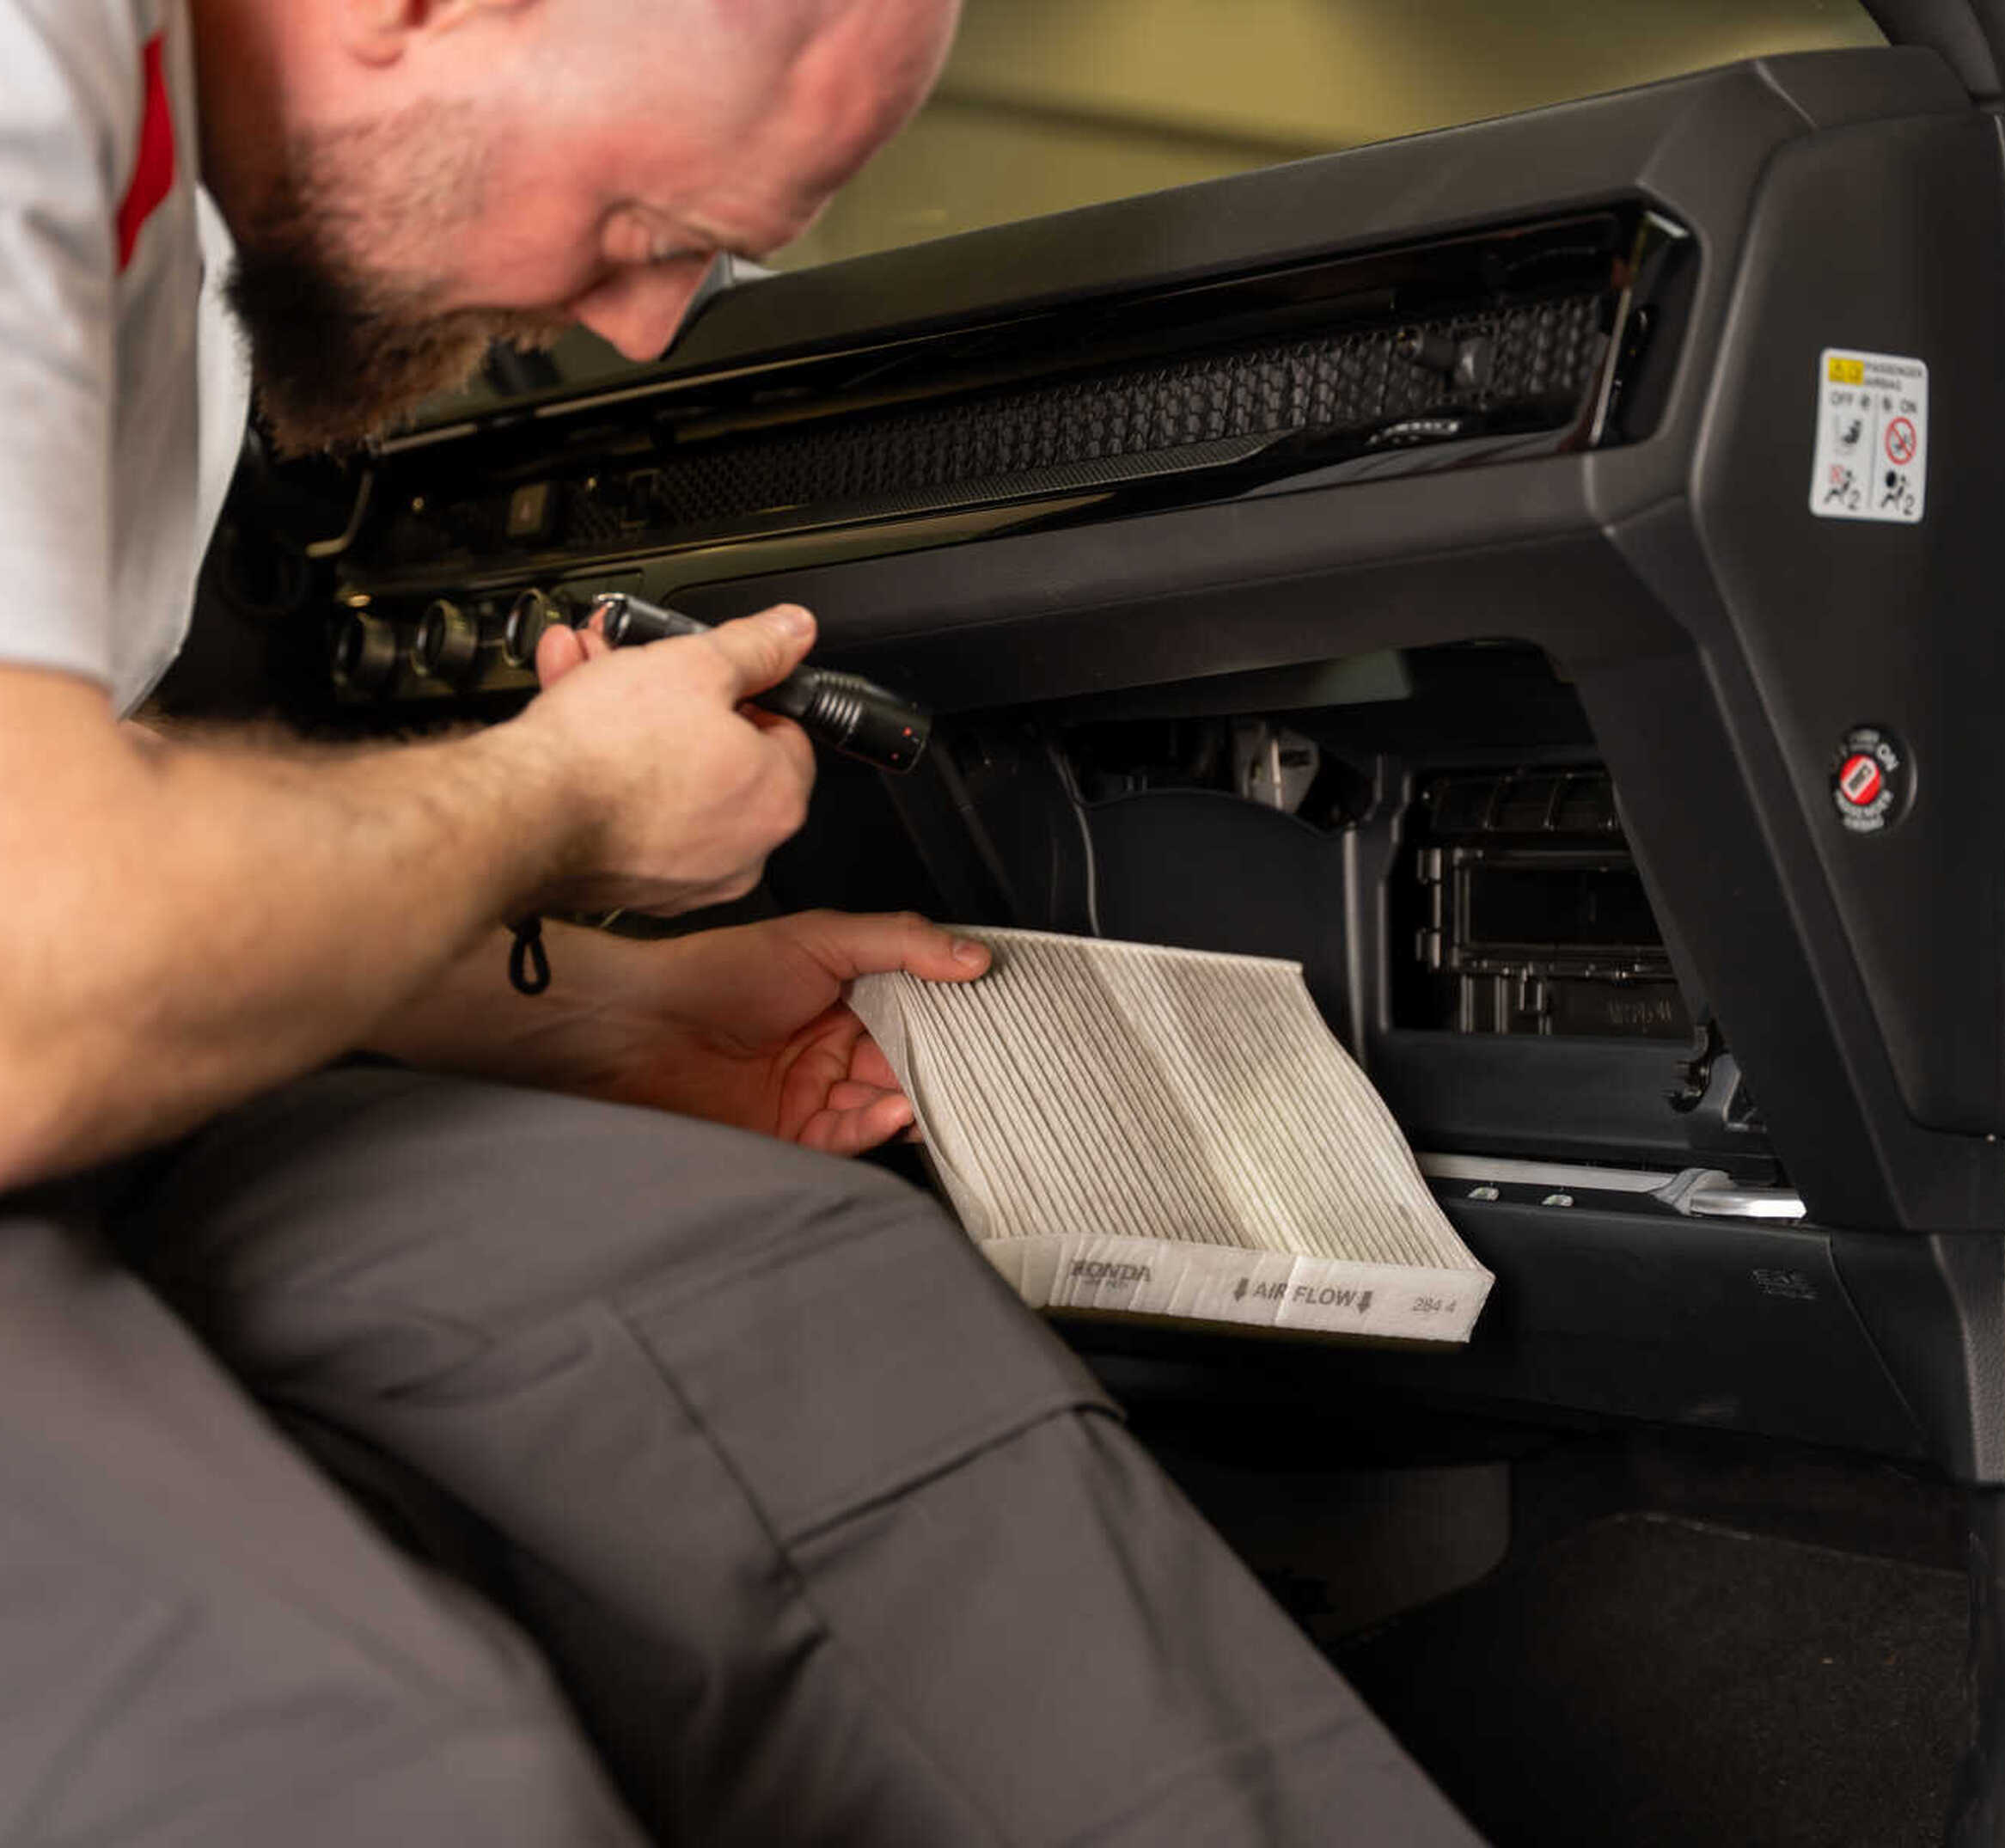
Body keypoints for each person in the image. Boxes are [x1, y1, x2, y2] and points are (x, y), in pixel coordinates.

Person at [0, 2, 1481, 1841]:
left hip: (90, 1090)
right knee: (383, 1776)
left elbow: (75, 816)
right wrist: (560, 804)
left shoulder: (174, 221)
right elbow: (38, 966)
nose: (639, 325)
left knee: (832, 1318)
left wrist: (564, 1004)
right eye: (648, 224)